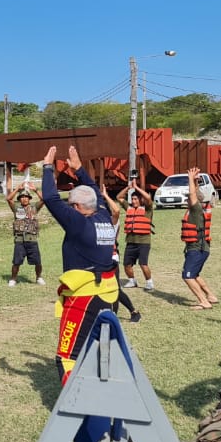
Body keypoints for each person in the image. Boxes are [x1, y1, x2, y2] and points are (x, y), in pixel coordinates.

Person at [41, 146, 119, 382]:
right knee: (97, 351)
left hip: (84, 298)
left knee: (67, 358)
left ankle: (77, 409)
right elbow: (94, 191)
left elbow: (50, 198)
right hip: (109, 292)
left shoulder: (78, 224)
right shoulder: (104, 214)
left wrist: (47, 167)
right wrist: (79, 170)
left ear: (75, 208)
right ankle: (102, 391)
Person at [101, 184, 141, 323]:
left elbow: (117, 211)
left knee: (115, 289)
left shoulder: (112, 223)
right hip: (99, 259)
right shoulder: (95, 223)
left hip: (111, 258)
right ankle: (112, 314)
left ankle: (133, 312)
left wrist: (106, 196)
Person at [181, 167, 218, 310]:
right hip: (201, 249)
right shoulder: (199, 209)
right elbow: (195, 193)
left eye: (188, 199)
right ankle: (211, 296)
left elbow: (192, 194)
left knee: (187, 276)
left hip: (197, 249)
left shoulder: (196, 210)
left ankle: (203, 301)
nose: (187, 200)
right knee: (195, 274)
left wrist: (190, 178)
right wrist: (196, 181)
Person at [116, 181, 155, 290]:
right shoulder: (129, 208)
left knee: (143, 264)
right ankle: (132, 281)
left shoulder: (147, 209)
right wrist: (128, 187)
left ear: (140, 200)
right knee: (126, 264)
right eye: (132, 199)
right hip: (130, 241)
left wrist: (137, 187)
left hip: (143, 242)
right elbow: (118, 197)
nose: (133, 202)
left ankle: (149, 282)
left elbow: (148, 198)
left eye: (135, 199)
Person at [6, 182, 44, 287]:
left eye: (26, 197)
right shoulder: (16, 209)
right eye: (22, 197)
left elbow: (44, 200)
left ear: (29, 199)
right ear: (19, 199)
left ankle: (39, 277)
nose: (24, 199)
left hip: (32, 239)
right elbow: (9, 199)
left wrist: (36, 190)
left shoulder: (34, 207)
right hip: (19, 240)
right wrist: (18, 188)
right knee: (16, 262)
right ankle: (13, 279)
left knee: (37, 261)